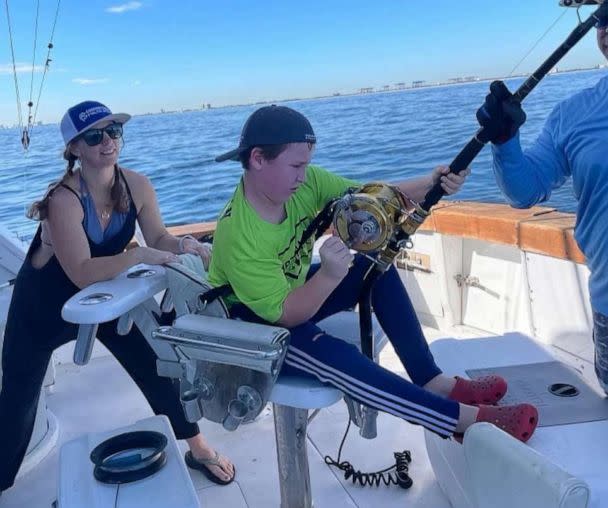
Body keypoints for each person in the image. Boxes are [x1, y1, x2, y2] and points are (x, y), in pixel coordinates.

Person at [209, 104, 539, 444]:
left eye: (306, 165)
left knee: (372, 269)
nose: (303, 177)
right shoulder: (238, 233)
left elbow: (375, 200)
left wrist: (431, 183)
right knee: (335, 356)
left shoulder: (304, 185)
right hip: (250, 327)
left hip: (287, 293)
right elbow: (288, 315)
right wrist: (328, 277)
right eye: (295, 166)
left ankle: (432, 381)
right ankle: (459, 421)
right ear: (259, 159)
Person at [0, 101, 234, 494]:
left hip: (104, 297)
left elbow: (159, 238)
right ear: (74, 148)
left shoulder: (136, 185)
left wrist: (185, 245)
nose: (107, 141)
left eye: (114, 132)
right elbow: (82, 271)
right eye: (94, 136)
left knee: (155, 361)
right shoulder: (63, 200)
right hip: (41, 307)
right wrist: (137, 255)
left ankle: (197, 446)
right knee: (18, 399)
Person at [475, 17, 608, 396]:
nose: (607, 29)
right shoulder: (574, 113)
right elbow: (525, 190)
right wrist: (505, 140)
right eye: (602, 18)